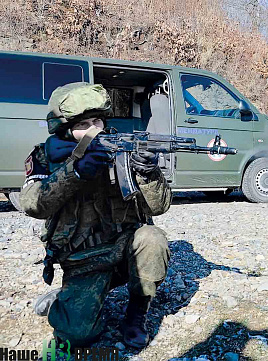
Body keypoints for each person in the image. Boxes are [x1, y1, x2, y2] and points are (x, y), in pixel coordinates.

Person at [20, 82, 172, 348]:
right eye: (84, 124)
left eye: (98, 121)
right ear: (65, 130)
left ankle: (136, 316)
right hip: (83, 260)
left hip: (125, 252)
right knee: (78, 334)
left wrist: (148, 174)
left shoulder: (122, 150)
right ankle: (66, 299)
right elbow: (34, 205)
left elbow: (159, 207)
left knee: (152, 237)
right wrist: (75, 172)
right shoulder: (46, 156)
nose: (94, 129)